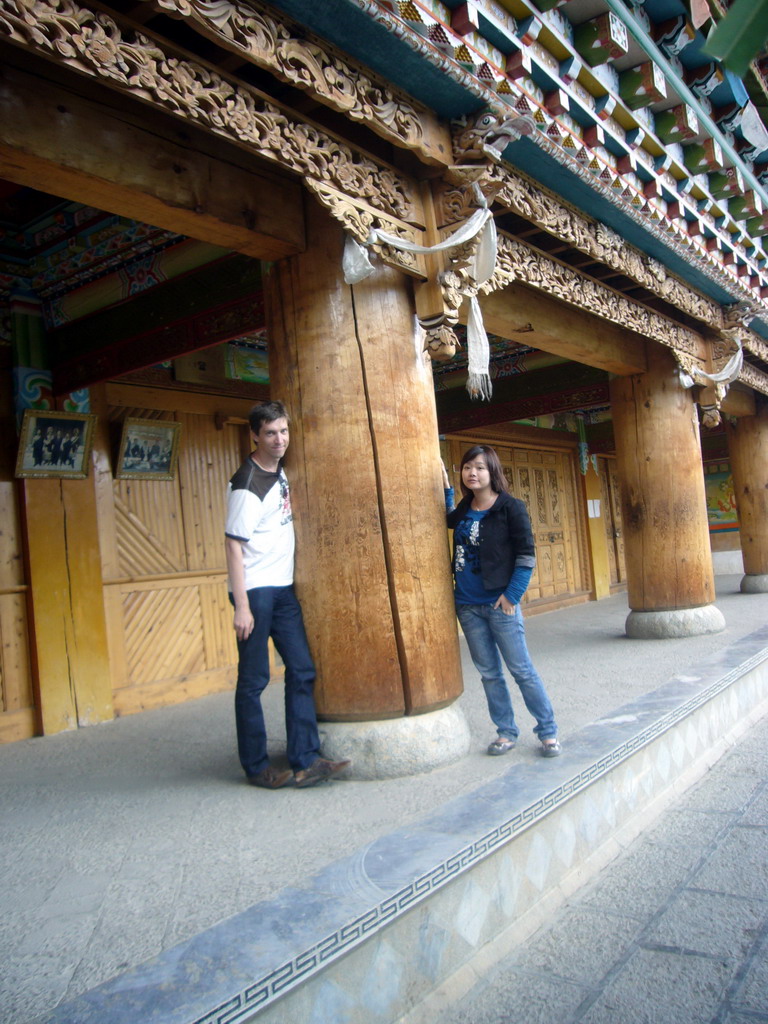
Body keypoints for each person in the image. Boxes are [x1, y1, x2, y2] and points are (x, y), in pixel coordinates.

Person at [225, 400, 350, 789]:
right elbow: (232, 545)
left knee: (302, 669)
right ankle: (257, 766)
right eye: (270, 433)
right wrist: (242, 606)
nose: (280, 440)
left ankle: (305, 759)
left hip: (282, 589)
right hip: (256, 592)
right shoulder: (247, 484)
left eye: (283, 431)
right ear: (254, 436)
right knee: (255, 679)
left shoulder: (280, 473)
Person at [442, 445, 561, 758]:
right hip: (468, 605)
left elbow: (526, 556)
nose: (473, 473)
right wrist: (447, 489)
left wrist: (512, 596)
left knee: (521, 670)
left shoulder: (511, 507)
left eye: (480, 467)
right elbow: (448, 519)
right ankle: (506, 732)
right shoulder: (465, 510)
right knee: (490, 674)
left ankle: (547, 731)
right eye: (468, 467)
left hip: (500, 603)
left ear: (492, 471)